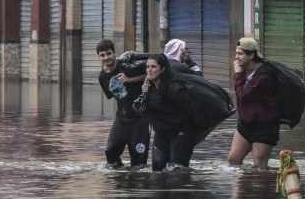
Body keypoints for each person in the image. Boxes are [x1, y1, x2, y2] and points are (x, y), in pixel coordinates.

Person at [135, 54, 224, 170]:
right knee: (157, 169)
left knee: (177, 171)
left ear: (162, 69)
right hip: (161, 133)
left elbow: (192, 110)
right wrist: (144, 94)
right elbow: (144, 111)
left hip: (180, 133)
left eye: (153, 67)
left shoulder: (174, 88)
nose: (149, 70)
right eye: (147, 67)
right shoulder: (148, 88)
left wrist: (194, 133)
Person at [96, 39, 150, 167]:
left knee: (139, 162)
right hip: (122, 119)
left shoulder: (127, 65)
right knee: (110, 153)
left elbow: (151, 72)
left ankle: (135, 182)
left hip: (140, 120)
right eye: (102, 55)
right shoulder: (102, 77)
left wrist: (129, 80)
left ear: (114, 53)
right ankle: (119, 177)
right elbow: (112, 96)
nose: (106, 57)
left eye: (109, 53)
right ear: (98, 57)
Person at [230, 37, 282, 169]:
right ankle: (242, 188)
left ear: (251, 55)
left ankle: (262, 188)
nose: (236, 58)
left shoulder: (265, 76)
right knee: (233, 159)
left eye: (240, 54)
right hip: (245, 124)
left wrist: (237, 74)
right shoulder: (246, 71)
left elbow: (243, 95)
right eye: (236, 53)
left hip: (264, 127)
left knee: (259, 166)